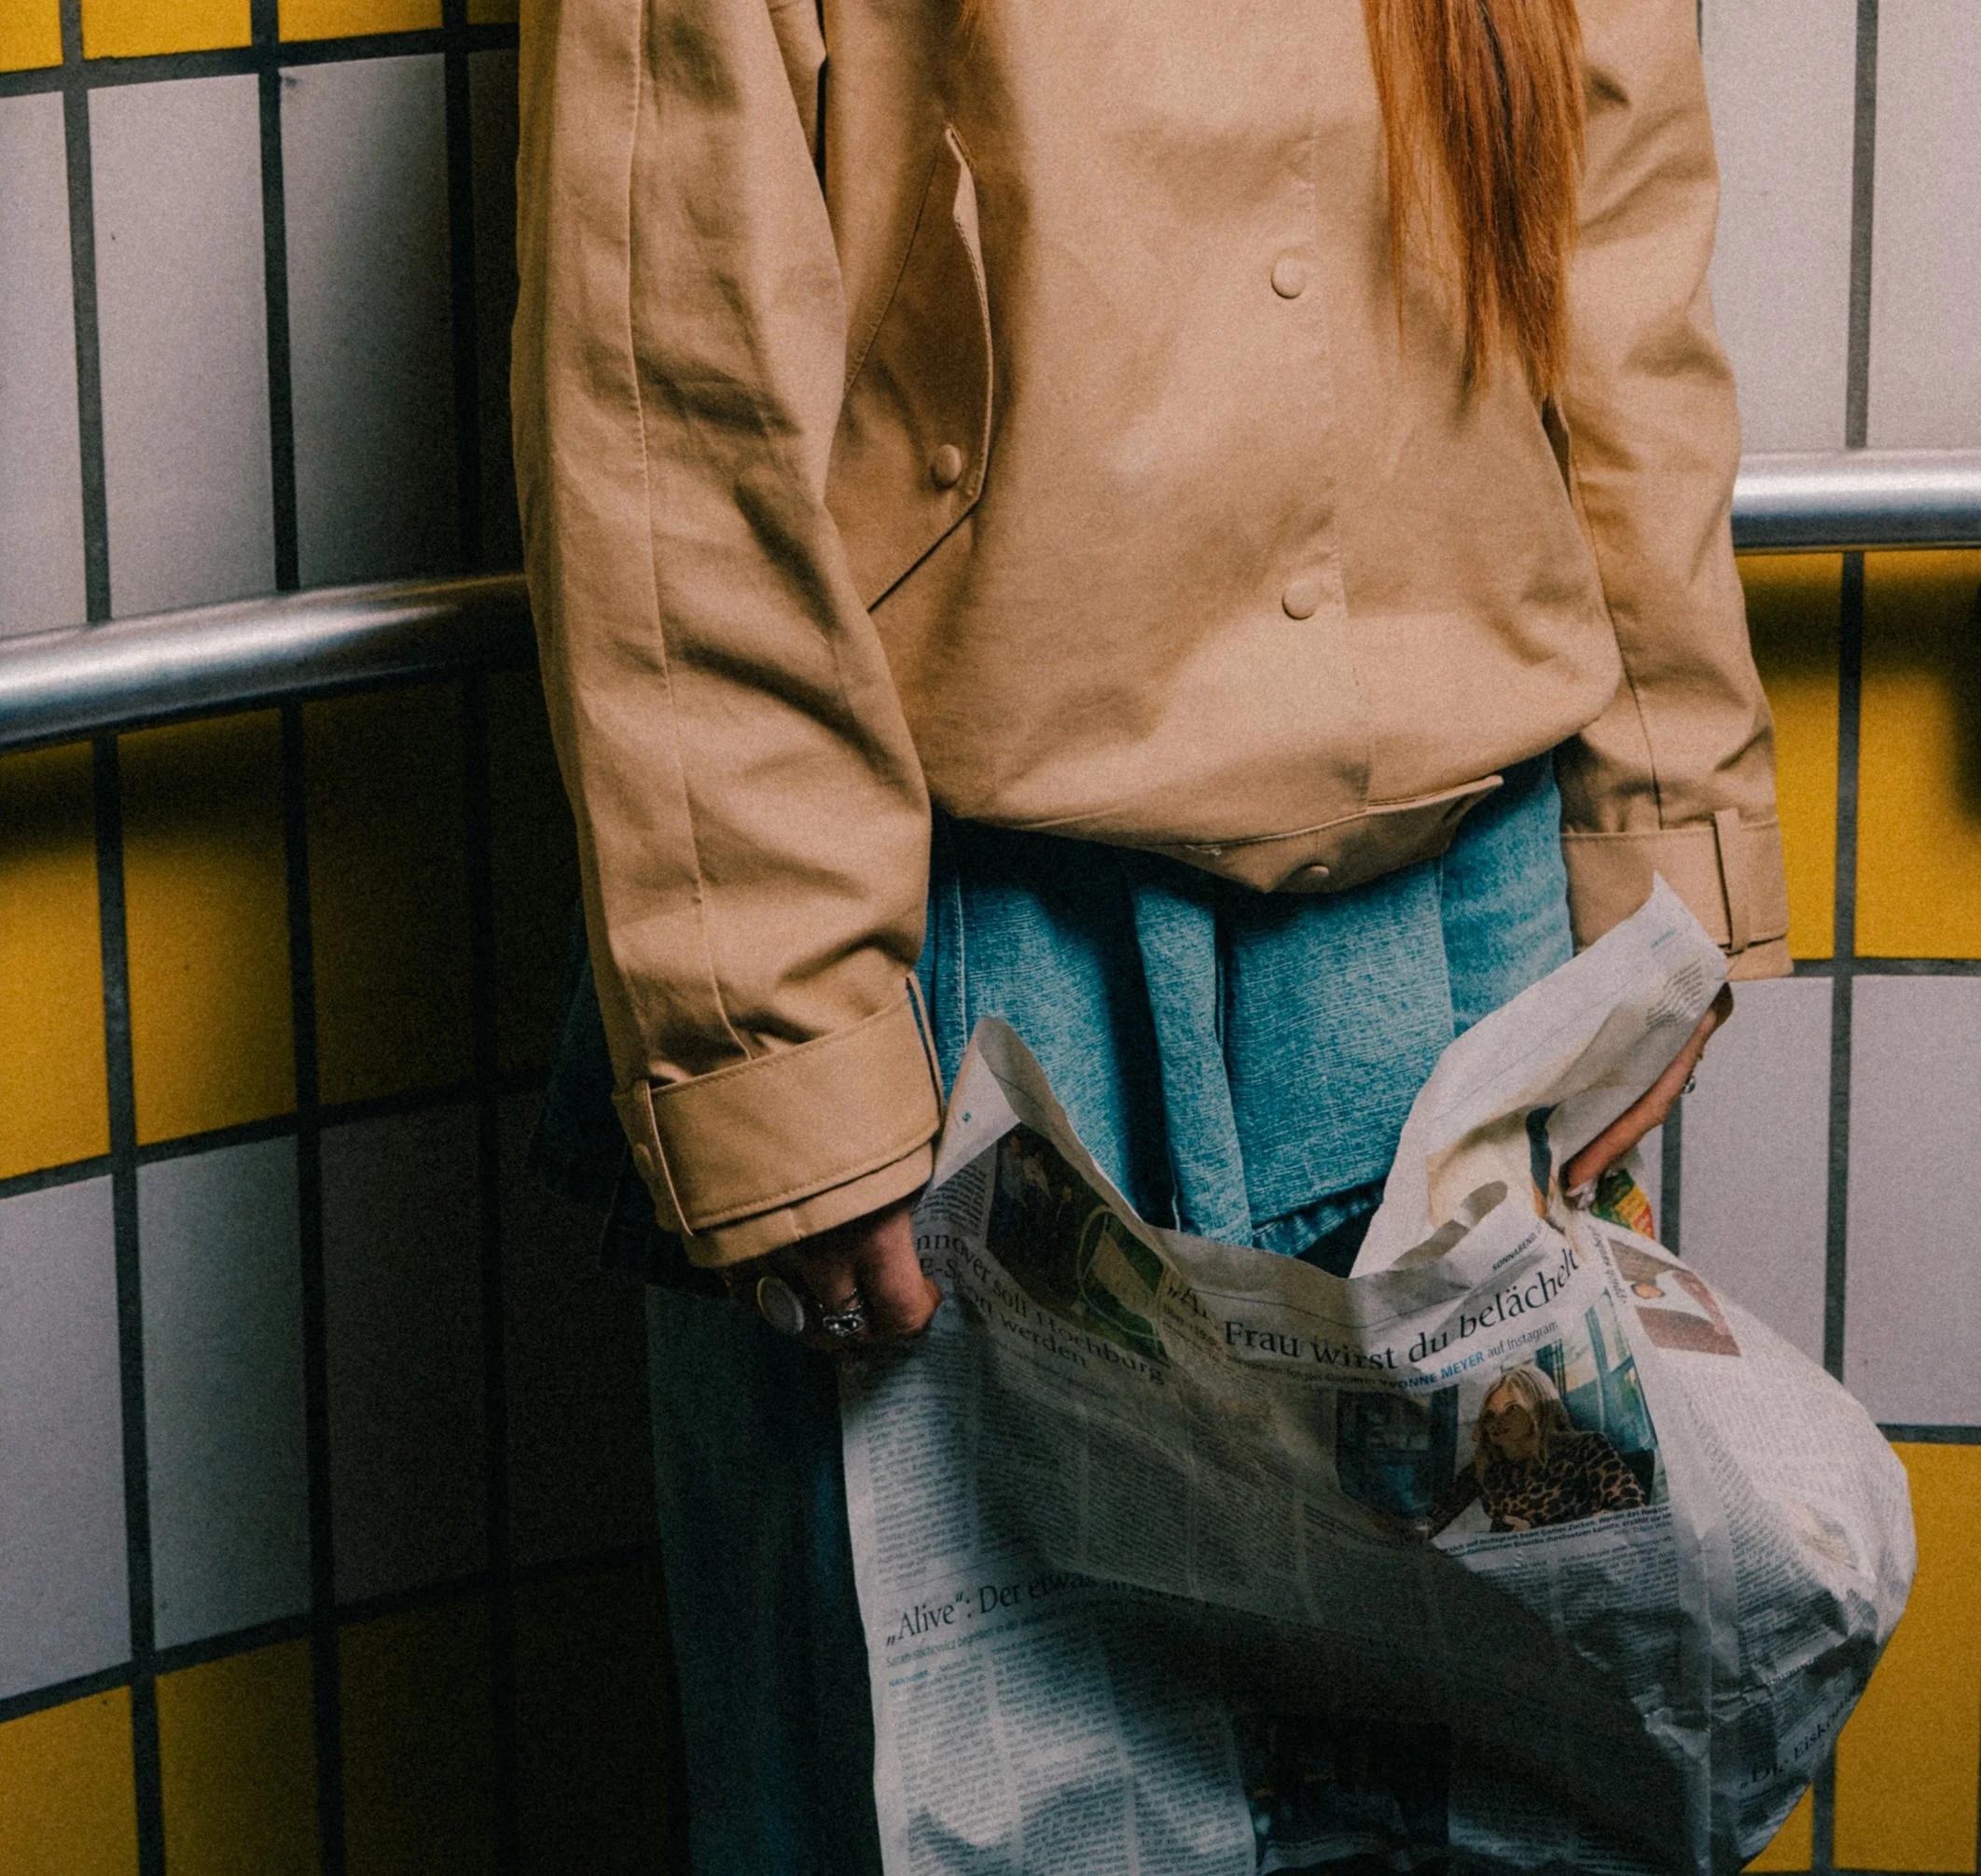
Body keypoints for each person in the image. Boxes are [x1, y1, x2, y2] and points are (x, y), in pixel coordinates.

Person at [512, 0, 1782, 1864]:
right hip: (978, 954)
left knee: (1494, 1802)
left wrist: (1666, 838)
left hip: (1469, 935)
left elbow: (1614, 240)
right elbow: (666, 345)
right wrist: (775, 1034)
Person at [1425, 1366, 1648, 1538]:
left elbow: (1631, 1509)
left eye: (1512, 1409)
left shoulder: (1586, 1446)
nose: (1497, 1422)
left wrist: (1541, 1533)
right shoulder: (1487, 1465)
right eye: (1490, 1415)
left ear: (1540, 1409)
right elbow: (1438, 1516)